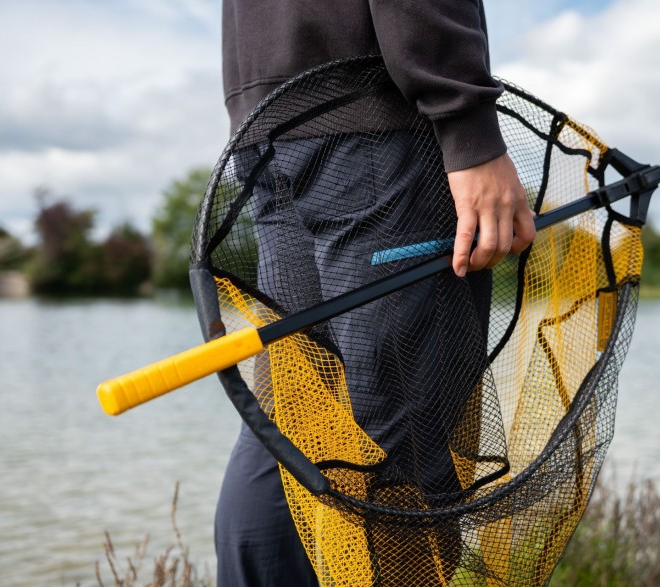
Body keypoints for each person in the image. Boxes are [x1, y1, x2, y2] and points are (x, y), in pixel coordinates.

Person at [214, 1, 536, 585]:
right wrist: (467, 126)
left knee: (293, 425)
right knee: (400, 447)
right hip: (376, 125)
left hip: (267, 127)